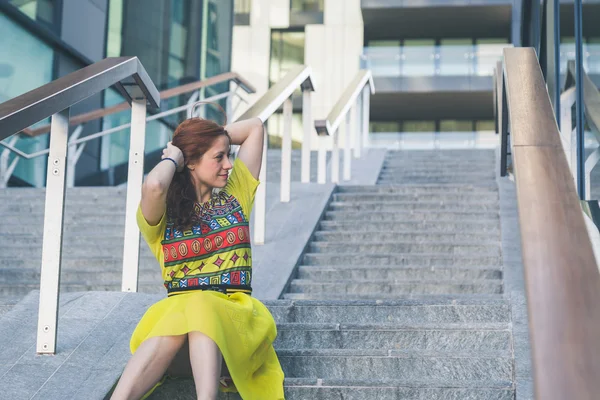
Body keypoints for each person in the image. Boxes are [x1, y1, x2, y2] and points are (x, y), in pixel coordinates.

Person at [110, 114, 285, 400]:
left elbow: (255, 127)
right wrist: (178, 152)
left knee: (199, 303)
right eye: (219, 157)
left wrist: (208, 138)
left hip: (234, 335)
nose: (229, 164)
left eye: (228, 155)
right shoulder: (162, 217)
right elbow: (154, 186)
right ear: (190, 161)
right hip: (178, 345)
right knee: (184, 310)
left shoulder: (235, 196)